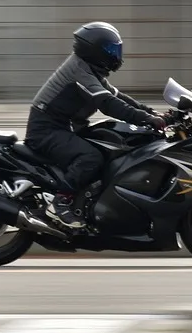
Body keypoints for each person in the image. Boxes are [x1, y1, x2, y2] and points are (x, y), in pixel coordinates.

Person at [25, 22, 168, 229]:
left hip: (63, 126)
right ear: (95, 50)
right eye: (111, 49)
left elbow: (117, 96)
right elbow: (107, 104)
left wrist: (151, 112)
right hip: (47, 130)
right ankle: (60, 203)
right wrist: (146, 120)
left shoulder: (90, 70)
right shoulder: (79, 71)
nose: (115, 54)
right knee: (90, 157)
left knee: (109, 142)